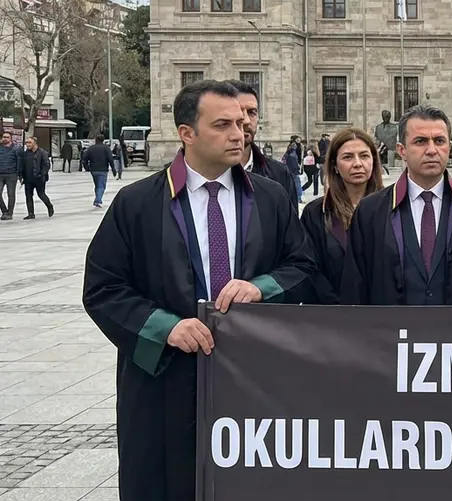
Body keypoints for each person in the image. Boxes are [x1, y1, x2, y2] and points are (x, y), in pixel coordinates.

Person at [82, 79, 315, 501]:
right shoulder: (137, 204)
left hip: (252, 375)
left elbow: (302, 266)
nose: (239, 133)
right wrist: (165, 328)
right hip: (165, 379)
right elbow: (103, 287)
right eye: (222, 125)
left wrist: (260, 288)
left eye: (241, 122)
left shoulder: (270, 199)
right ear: (186, 133)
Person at [341, 105, 452, 305]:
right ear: (402, 150)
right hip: (390, 324)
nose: (432, 150)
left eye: (439, 141)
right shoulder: (370, 212)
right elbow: (355, 288)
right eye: (420, 141)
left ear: (449, 146)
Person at [301, 128, 383, 304]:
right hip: (331, 312)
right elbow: (309, 267)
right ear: (334, 165)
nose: (358, 164)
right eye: (348, 157)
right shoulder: (316, 213)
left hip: (382, 312)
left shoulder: (391, 208)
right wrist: (338, 305)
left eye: (364, 156)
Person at [225, 79, 298, 212]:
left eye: (252, 112)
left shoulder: (279, 174)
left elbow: (290, 223)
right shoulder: (204, 174)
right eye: (238, 111)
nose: (246, 120)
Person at [19, 136, 53, 219]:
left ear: (35, 143)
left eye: (29, 142)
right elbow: (22, 165)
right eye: (26, 143)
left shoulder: (42, 152)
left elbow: (46, 164)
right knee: (28, 196)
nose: (27, 144)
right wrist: (21, 176)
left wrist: (42, 174)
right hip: (28, 179)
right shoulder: (25, 153)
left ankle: (49, 206)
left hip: (39, 178)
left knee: (41, 194)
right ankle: (31, 213)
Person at [82, 132, 115, 208]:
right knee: (101, 186)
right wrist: (113, 169)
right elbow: (110, 159)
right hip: (103, 169)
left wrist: (87, 168)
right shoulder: (106, 148)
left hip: (93, 170)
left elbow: (84, 159)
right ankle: (98, 200)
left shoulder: (91, 148)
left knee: (97, 185)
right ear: (103, 140)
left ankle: (98, 198)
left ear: (96, 140)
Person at [0, 130, 21, 220]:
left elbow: (19, 162)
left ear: (11, 139)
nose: (5, 139)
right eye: (4, 137)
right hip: (0, 174)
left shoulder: (16, 149)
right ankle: (4, 211)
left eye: (7, 137)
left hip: (11, 175)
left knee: (11, 194)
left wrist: (20, 175)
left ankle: (10, 213)